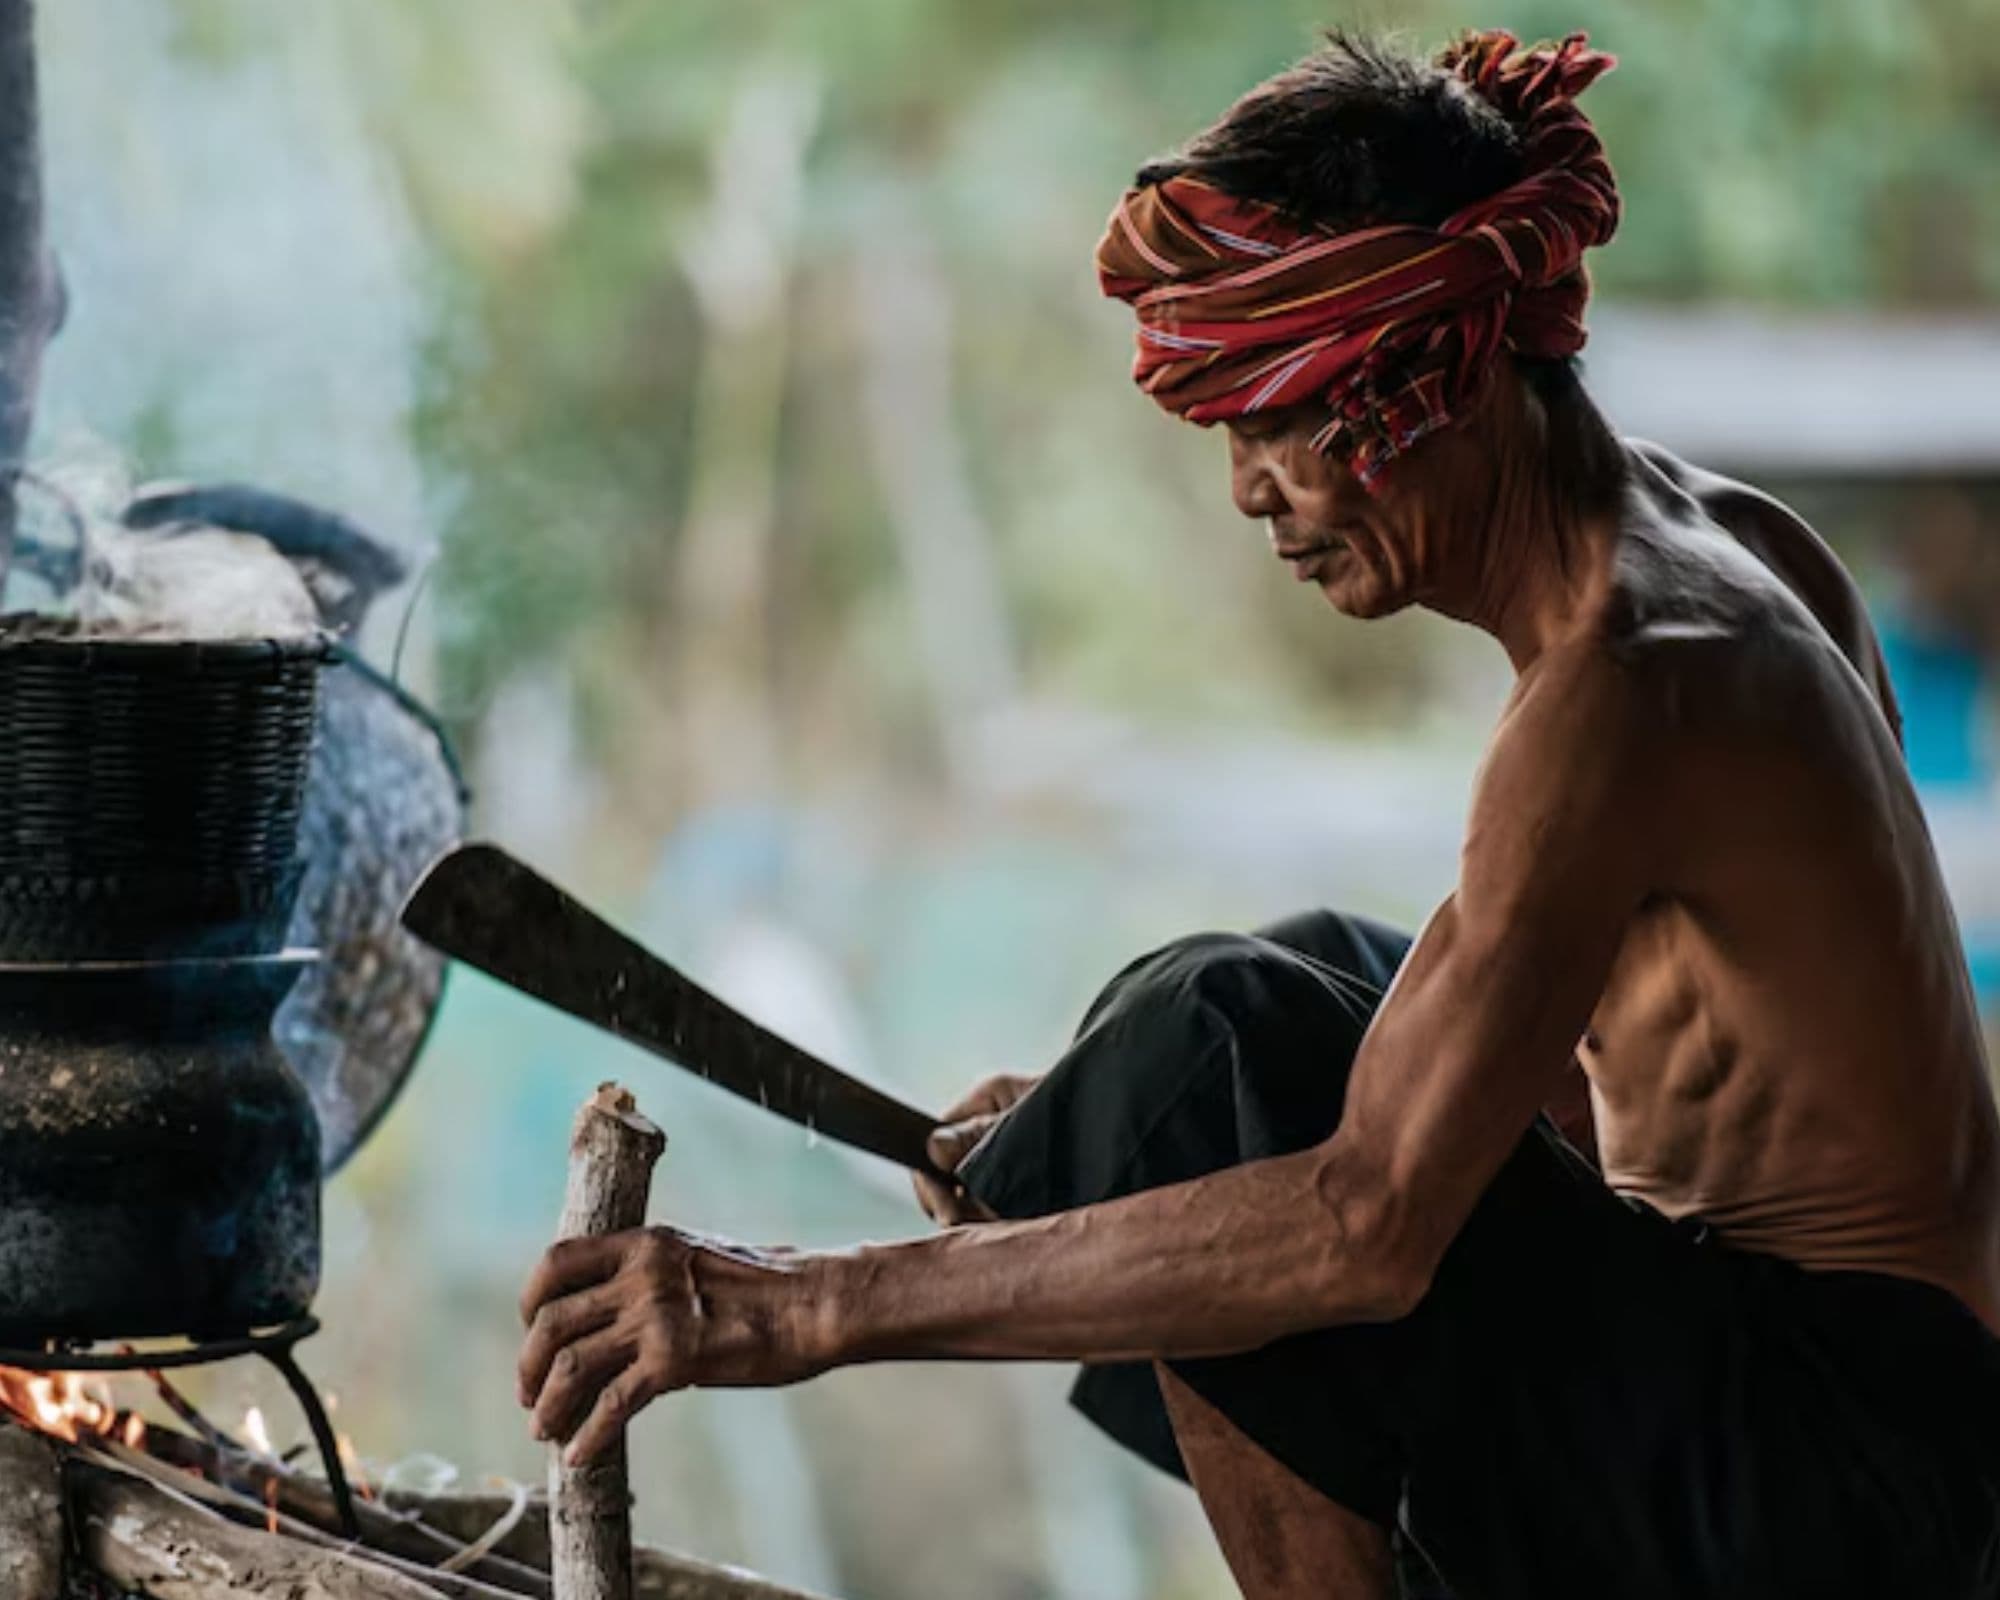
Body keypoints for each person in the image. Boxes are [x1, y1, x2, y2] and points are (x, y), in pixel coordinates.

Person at [516, 30, 2000, 1598]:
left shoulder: (1624, 688)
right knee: (1262, 1004)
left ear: (1450, 374)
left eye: (1275, 417)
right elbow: (1594, 1089)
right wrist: (1084, 1149)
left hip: (1843, 1490)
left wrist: (800, 1306)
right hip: (1883, 1419)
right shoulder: (1733, 544)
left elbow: (1373, 1229)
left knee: (1198, 1056)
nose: (1249, 489)